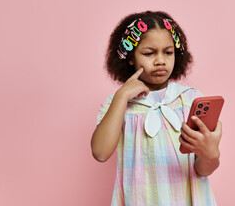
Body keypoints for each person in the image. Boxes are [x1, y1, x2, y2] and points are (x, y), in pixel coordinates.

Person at [91, 11, 222, 206]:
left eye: (168, 52)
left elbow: (203, 170)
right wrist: (122, 96)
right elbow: (100, 152)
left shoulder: (189, 100)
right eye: (149, 53)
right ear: (130, 57)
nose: (160, 60)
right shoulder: (117, 104)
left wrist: (210, 154)